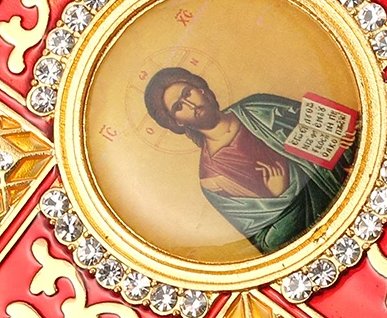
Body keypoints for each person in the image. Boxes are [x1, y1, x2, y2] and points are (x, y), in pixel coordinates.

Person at [144, 67, 354, 254]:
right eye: (179, 107)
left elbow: (333, 128)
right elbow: (268, 243)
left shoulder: (258, 108)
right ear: (178, 123)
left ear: (201, 90)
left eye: (187, 93)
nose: (190, 105)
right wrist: (281, 194)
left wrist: (343, 140)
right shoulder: (211, 179)